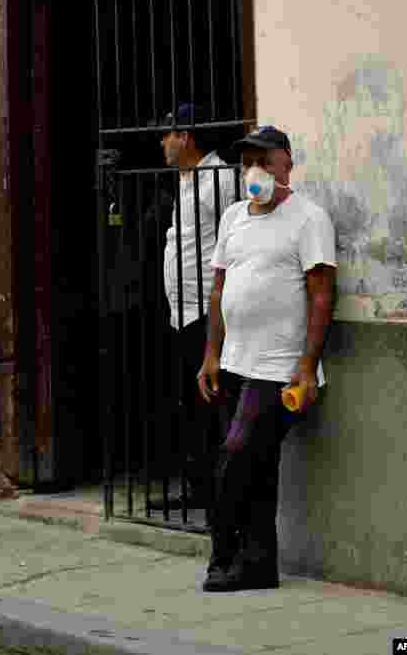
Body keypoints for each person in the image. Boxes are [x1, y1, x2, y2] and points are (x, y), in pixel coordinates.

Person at [198, 126, 337, 591]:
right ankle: (258, 567)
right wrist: (211, 354)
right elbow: (219, 289)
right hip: (233, 363)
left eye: (263, 160)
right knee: (256, 465)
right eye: (247, 162)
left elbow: (321, 296)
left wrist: (306, 366)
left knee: (236, 455)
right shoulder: (234, 217)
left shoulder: (308, 218)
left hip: (278, 371)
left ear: (286, 165)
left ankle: (222, 554)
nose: (253, 170)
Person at [149, 103, 236, 513]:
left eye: (167, 134)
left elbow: (234, 236)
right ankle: (199, 486)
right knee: (189, 404)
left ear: (186, 137)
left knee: (210, 402)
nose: (162, 142)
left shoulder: (216, 179)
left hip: (205, 310)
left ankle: (218, 491)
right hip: (181, 311)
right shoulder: (186, 180)